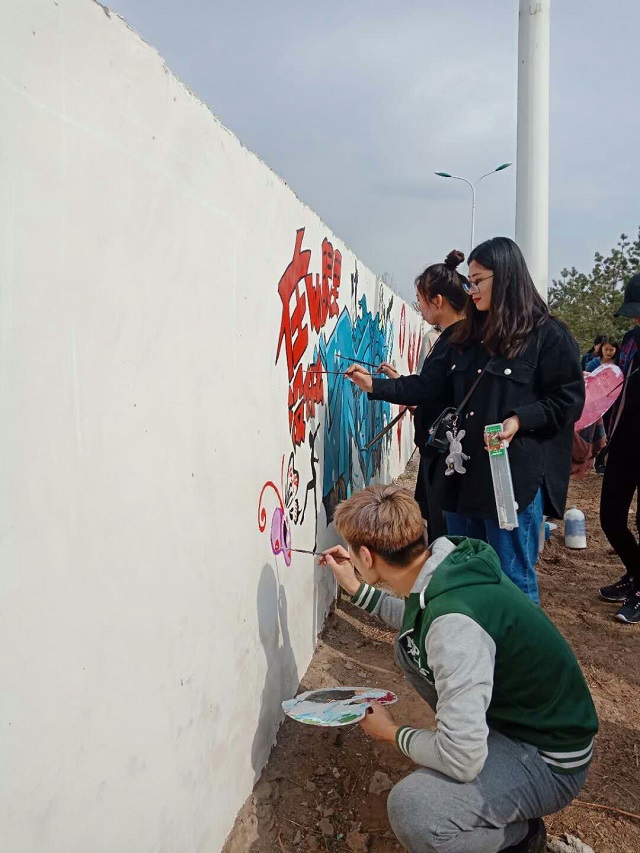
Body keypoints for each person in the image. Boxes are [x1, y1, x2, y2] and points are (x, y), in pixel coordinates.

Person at [320, 484, 598, 853]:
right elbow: (419, 616)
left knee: (416, 810)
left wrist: (391, 732)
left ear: (367, 557)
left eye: (355, 555)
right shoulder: (448, 567)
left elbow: (461, 759)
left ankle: (523, 839)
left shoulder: (454, 627)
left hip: (551, 760)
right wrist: (358, 588)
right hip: (526, 728)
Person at [346, 237, 585, 603]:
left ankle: (513, 657)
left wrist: (519, 420)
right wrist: (375, 385)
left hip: (511, 481)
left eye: (478, 280)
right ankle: (469, 649)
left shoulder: (548, 337)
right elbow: (431, 387)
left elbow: (567, 401)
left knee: (511, 577)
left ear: (505, 277)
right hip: (462, 478)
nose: (470, 290)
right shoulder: (465, 336)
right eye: (469, 281)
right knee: (461, 572)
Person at [377, 250, 467, 541]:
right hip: (438, 450)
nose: (420, 308)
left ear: (437, 301)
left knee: (443, 533)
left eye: (420, 301)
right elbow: (432, 386)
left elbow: (427, 388)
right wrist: (399, 381)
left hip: (445, 452)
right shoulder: (453, 337)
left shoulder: (458, 340)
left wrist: (373, 386)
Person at [598, 273, 640, 623]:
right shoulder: (629, 341)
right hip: (624, 441)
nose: (636, 318)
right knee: (611, 517)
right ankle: (635, 573)